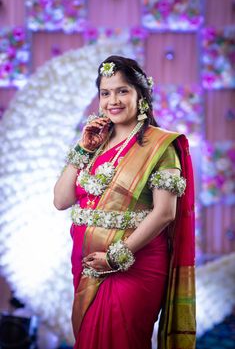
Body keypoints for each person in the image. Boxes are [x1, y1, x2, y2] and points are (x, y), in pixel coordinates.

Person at [53, 55, 196, 349]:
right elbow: (61, 200)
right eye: (105, 92)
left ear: (141, 96)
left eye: (122, 91)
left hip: (134, 265)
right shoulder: (95, 143)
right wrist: (82, 149)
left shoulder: (160, 146)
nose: (112, 100)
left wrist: (116, 257)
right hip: (88, 265)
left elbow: (165, 213)